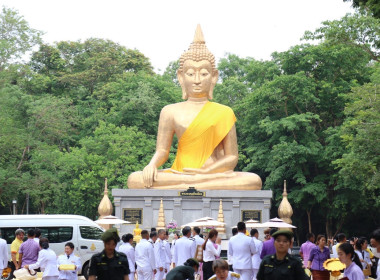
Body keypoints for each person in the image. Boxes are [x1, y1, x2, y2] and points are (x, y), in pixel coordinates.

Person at [127, 25, 262, 191]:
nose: (197, 80)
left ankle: (190, 185)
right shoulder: (169, 111)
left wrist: (205, 173)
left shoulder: (224, 112)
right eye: (190, 74)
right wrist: (151, 165)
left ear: (214, 77)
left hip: (212, 173)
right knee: (135, 179)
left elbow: (232, 157)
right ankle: (190, 184)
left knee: (253, 181)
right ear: (181, 77)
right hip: (179, 173)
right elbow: (162, 151)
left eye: (204, 73)